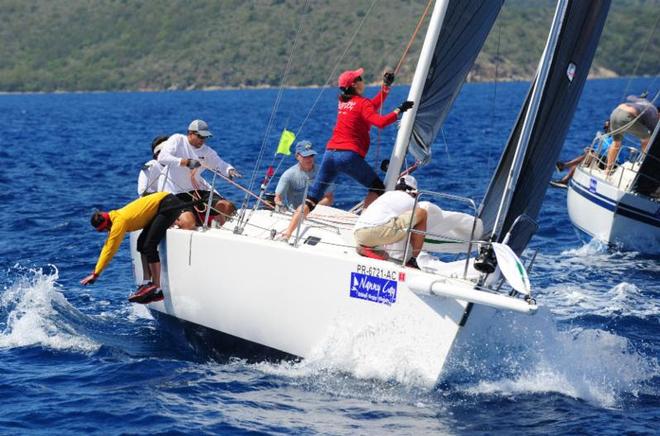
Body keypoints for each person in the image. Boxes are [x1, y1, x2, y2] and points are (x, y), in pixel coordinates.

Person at [280, 68, 414, 240]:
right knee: (377, 188)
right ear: (355, 84)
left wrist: (385, 88)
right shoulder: (360, 103)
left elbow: (370, 107)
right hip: (348, 155)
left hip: (330, 154)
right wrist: (398, 110)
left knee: (312, 199)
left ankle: (287, 233)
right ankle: (363, 228)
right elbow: (379, 122)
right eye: (361, 78)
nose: (363, 81)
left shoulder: (343, 102)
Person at [80, 192, 196, 304]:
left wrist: (96, 274)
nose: (106, 232)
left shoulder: (119, 223)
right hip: (162, 205)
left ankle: (157, 287)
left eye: (104, 229)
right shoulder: (114, 217)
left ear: (107, 224)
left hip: (168, 204)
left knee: (149, 245)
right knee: (141, 244)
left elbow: (109, 249)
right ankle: (146, 282)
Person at [158, 119, 241, 228]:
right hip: (174, 193)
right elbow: (162, 158)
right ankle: (173, 221)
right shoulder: (178, 140)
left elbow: (220, 164)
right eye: (200, 136)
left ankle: (219, 231)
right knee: (189, 223)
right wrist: (186, 162)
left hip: (195, 192)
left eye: (205, 137)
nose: (203, 140)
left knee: (227, 207)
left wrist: (230, 170)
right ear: (190, 133)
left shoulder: (206, 151)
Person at [353, 175, 427, 268]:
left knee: (385, 253)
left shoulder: (386, 195)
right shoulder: (412, 202)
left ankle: (366, 247)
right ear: (413, 192)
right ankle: (414, 258)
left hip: (359, 234)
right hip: (376, 232)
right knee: (422, 213)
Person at [606, 95, 659, 173]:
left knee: (616, 144)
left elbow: (630, 97)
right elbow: (654, 134)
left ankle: (608, 170)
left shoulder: (645, 104)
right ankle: (644, 165)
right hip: (626, 115)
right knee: (647, 139)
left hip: (615, 112)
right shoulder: (654, 114)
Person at [551, 120, 613, 188]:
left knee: (589, 154)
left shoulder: (613, 139)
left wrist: (592, 150)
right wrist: (590, 148)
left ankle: (564, 167)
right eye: (604, 127)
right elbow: (597, 147)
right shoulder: (606, 137)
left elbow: (605, 150)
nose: (605, 129)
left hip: (606, 161)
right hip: (598, 156)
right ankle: (565, 179)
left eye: (607, 127)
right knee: (582, 159)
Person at [274, 140, 334, 210]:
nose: (309, 159)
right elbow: (278, 198)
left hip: (318, 213)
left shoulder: (322, 172)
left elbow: (329, 198)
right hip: (295, 214)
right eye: (305, 156)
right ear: (297, 156)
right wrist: (280, 206)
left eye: (311, 155)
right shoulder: (288, 175)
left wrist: (308, 209)